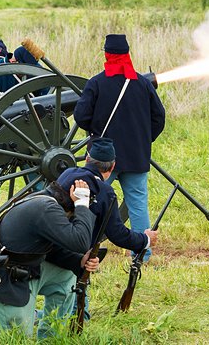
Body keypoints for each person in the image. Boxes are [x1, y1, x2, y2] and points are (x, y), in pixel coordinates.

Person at [0, 180, 96, 339]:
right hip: (0, 280)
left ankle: (49, 337)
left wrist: (79, 261)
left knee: (67, 274)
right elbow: (80, 242)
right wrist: (82, 204)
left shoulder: (44, 202)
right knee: (14, 340)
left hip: (23, 272)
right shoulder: (46, 210)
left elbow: (50, 250)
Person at [44, 137, 158, 321]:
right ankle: (79, 318)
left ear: (87, 158)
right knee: (79, 304)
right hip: (76, 252)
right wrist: (145, 240)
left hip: (49, 245)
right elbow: (118, 234)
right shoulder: (105, 192)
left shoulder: (66, 174)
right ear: (112, 167)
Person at [74, 34, 166, 261]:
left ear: (107, 55)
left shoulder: (96, 83)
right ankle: (141, 254)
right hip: (136, 155)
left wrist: (96, 133)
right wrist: (143, 140)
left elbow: (80, 116)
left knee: (91, 197)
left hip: (103, 156)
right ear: (127, 54)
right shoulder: (143, 84)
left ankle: (83, 247)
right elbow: (159, 117)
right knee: (137, 204)